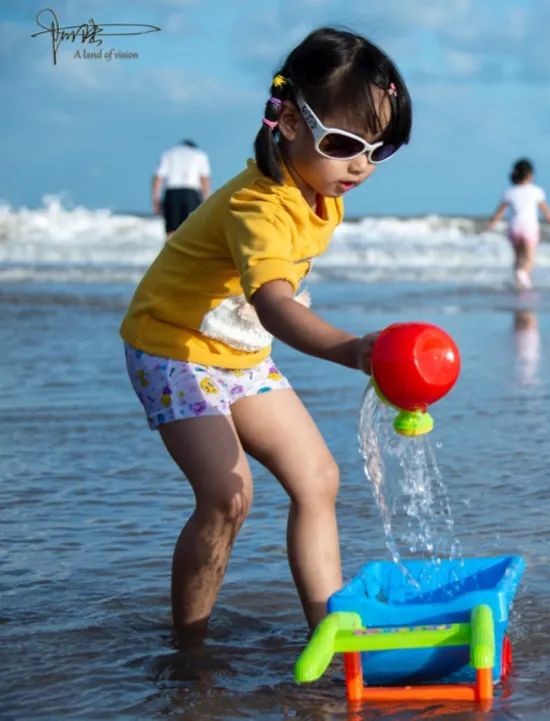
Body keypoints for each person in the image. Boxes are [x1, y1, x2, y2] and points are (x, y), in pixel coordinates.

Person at [119, 27, 411, 647]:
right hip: (171, 346)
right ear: (291, 122)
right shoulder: (257, 206)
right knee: (227, 495)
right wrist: (354, 350)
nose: (361, 164)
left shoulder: (322, 191)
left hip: (238, 352)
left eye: (379, 149)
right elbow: (275, 305)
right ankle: (189, 645)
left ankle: (329, 632)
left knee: (318, 478)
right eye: (344, 144)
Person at [484, 158, 550, 290]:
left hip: (514, 228)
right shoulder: (536, 191)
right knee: (529, 259)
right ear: (530, 175)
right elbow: (546, 210)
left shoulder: (510, 192)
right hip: (529, 228)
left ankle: (519, 284)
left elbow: (499, 212)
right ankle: (523, 277)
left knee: (518, 258)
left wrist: (491, 224)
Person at [153, 139, 212, 239]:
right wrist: (207, 199)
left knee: (171, 230)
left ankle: (170, 249)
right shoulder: (199, 154)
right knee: (192, 229)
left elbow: (158, 178)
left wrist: (155, 199)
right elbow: (204, 178)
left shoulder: (168, 153)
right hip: (191, 193)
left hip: (172, 193)